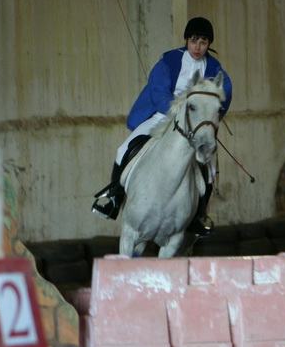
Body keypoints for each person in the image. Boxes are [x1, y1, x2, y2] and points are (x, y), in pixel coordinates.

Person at [92, 17, 233, 236]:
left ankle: (199, 215)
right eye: (194, 41)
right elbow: (158, 90)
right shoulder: (169, 61)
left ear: (208, 44)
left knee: (210, 167)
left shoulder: (214, 68)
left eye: (203, 42)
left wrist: (208, 118)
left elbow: (224, 94)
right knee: (123, 149)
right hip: (163, 114)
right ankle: (114, 198)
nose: (198, 47)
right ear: (186, 40)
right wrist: (175, 113)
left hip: (194, 122)